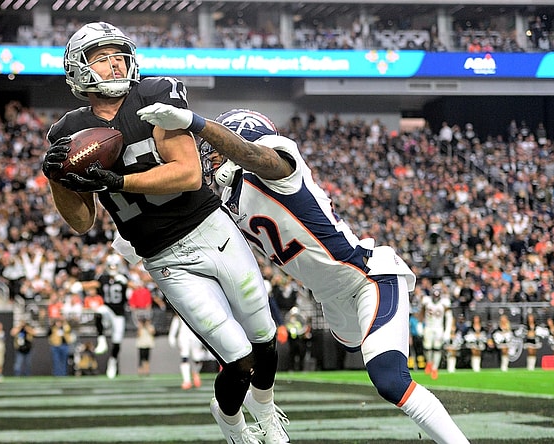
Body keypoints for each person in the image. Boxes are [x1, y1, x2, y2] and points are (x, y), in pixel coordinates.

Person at [136, 103, 470, 444]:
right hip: (331, 299)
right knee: (347, 346)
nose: (211, 158)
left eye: (218, 149)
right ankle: (250, 400)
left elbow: (258, 158)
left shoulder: (280, 167)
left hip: (369, 278)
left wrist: (198, 123)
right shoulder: (222, 202)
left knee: (390, 379)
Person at [42, 22, 287, 444]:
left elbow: (189, 174)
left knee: (265, 339)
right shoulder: (68, 130)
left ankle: (266, 414)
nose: (115, 61)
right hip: (163, 255)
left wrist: (118, 183)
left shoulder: (154, 94)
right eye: (102, 56)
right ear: (78, 67)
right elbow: (82, 223)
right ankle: (232, 425)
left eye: (118, 53)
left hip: (212, 230)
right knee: (238, 356)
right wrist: (58, 180)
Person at [82, 254, 129, 379]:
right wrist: (79, 285)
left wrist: (126, 283)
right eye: (111, 266)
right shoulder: (103, 278)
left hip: (119, 313)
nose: (113, 268)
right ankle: (101, 340)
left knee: (117, 340)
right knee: (99, 310)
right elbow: (93, 284)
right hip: (108, 309)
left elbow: (135, 287)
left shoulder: (123, 278)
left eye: (115, 266)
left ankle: (112, 362)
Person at [420, 286, 452, 379]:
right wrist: (420, 324)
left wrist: (447, 331)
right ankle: (429, 362)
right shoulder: (426, 301)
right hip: (428, 327)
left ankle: (435, 368)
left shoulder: (444, 303)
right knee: (427, 347)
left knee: (437, 348)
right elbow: (421, 313)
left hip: (439, 328)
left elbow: (449, 318)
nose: (435, 297)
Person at [168, 313, 206, 390]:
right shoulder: (178, 315)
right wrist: (171, 337)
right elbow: (174, 325)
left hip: (195, 338)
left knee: (197, 358)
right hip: (183, 338)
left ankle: (195, 373)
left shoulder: (196, 313)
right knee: (184, 357)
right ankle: (187, 380)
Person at [283, 307, 311, 372]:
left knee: (301, 354)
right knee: (292, 355)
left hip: (299, 341)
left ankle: (301, 368)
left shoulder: (298, 323)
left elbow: (302, 330)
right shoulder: (289, 324)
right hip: (292, 341)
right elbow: (288, 330)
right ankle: (291, 369)